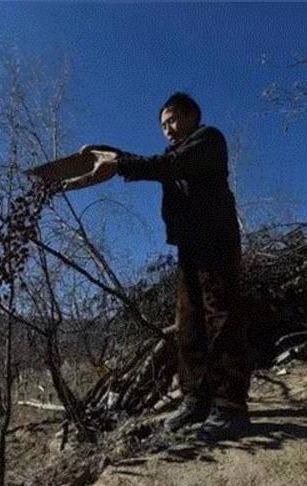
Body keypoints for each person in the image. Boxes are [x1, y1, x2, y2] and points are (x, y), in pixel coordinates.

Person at [76, 92, 251, 442]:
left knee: (222, 318)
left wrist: (119, 163)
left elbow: (167, 166)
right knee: (189, 323)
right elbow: (155, 163)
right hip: (189, 247)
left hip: (216, 240)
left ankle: (230, 407)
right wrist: (111, 153)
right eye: (162, 125)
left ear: (192, 116)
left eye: (172, 120)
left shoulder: (208, 140)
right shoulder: (173, 155)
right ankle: (196, 400)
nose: (167, 129)